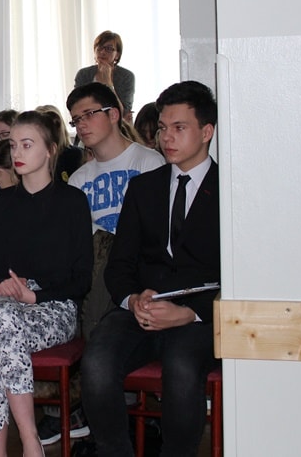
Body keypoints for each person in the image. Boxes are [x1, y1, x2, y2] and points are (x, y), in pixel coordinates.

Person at [80, 81, 220, 457]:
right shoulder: (143, 188)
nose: (166, 137)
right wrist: (132, 300)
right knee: (96, 362)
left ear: (206, 132)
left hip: (198, 316)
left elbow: (235, 276)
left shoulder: (229, 191)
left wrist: (189, 312)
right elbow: (119, 264)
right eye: (162, 128)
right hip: (140, 309)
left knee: (181, 367)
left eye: (179, 127)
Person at [37, 82, 165, 447]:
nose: (81, 125)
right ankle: (94, 408)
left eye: (88, 115)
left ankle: (86, 407)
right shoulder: (79, 179)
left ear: (113, 115)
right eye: (75, 120)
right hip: (95, 274)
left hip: (136, 272)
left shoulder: (148, 163)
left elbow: (157, 235)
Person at [0, 110, 92, 457]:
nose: (17, 153)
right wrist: (2, 286)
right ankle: (30, 442)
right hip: (3, 304)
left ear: (50, 149)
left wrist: (35, 296)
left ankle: (3, 449)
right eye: (13, 146)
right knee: (3, 317)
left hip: (53, 307)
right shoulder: (0, 202)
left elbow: (81, 280)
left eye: (27, 145)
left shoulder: (72, 202)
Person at [73, 31, 135, 120]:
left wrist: (108, 84)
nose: (102, 52)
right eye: (99, 48)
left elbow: (123, 113)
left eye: (109, 49)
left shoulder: (126, 76)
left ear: (117, 55)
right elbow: (76, 106)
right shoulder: (83, 74)